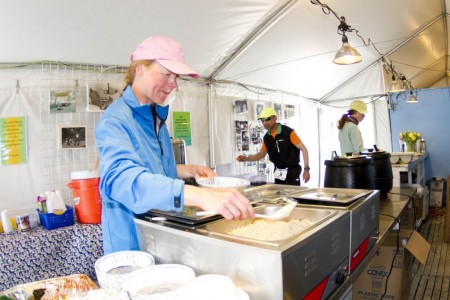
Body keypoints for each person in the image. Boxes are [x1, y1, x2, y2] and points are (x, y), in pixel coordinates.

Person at [95, 36, 254, 254]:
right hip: (131, 250)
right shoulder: (116, 119)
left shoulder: (154, 116)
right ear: (140, 69)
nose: (174, 83)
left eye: (176, 76)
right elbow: (119, 179)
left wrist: (188, 170)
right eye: (167, 73)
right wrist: (199, 195)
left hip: (158, 239)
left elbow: (152, 169)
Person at [236, 107, 310, 185]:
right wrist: (246, 158)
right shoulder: (267, 137)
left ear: (275, 118)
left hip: (292, 170)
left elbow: (304, 149)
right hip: (278, 171)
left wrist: (306, 169)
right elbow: (261, 155)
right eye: (262, 120)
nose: (264, 122)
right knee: (279, 194)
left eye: (267, 119)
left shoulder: (288, 132)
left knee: (293, 195)